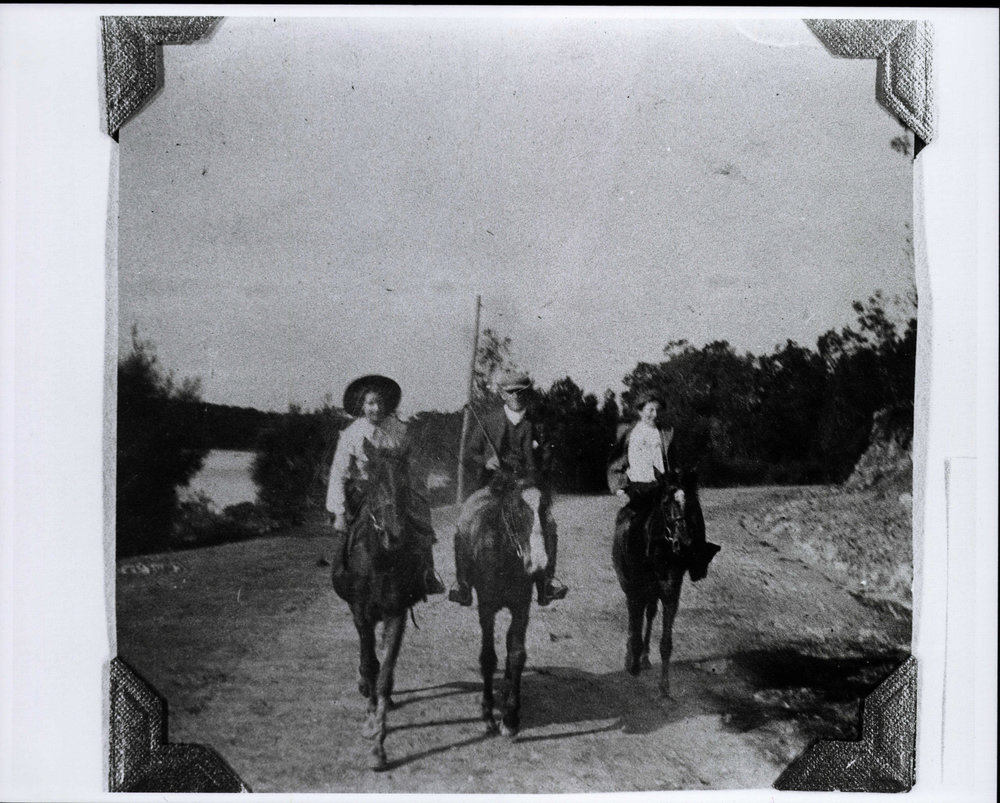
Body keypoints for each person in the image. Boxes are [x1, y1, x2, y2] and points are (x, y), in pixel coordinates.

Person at [449, 369, 569, 606]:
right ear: (502, 394)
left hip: (526, 487)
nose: (516, 396)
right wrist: (486, 460)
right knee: (464, 519)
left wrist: (533, 475)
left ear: (528, 395)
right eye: (511, 392)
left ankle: (546, 583)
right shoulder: (489, 421)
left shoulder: (537, 425)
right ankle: (463, 583)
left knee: (549, 524)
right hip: (493, 486)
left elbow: (546, 457)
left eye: (521, 392)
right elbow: (471, 452)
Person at [326, 374, 446, 597]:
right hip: (364, 489)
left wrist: (414, 488)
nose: (376, 408)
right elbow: (339, 474)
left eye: (380, 403)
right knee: (353, 527)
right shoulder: (352, 434)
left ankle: (427, 572)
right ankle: (344, 572)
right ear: (362, 405)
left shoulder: (399, 430)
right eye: (371, 403)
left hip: (396, 485)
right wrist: (339, 513)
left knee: (419, 519)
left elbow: (411, 462)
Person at [607, 393, 718, 581]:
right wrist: (619, 487)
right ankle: (630, 568)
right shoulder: (628, 433)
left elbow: (673, 463)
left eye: (658, 410)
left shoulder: (666, 433)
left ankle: (697, 564)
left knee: (690, 511)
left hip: (664, 485)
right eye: (650, 409)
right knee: (633, 525)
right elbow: (615, 463)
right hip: (638, 487)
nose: (655, 414)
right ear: (640, 411)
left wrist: (678, 486)